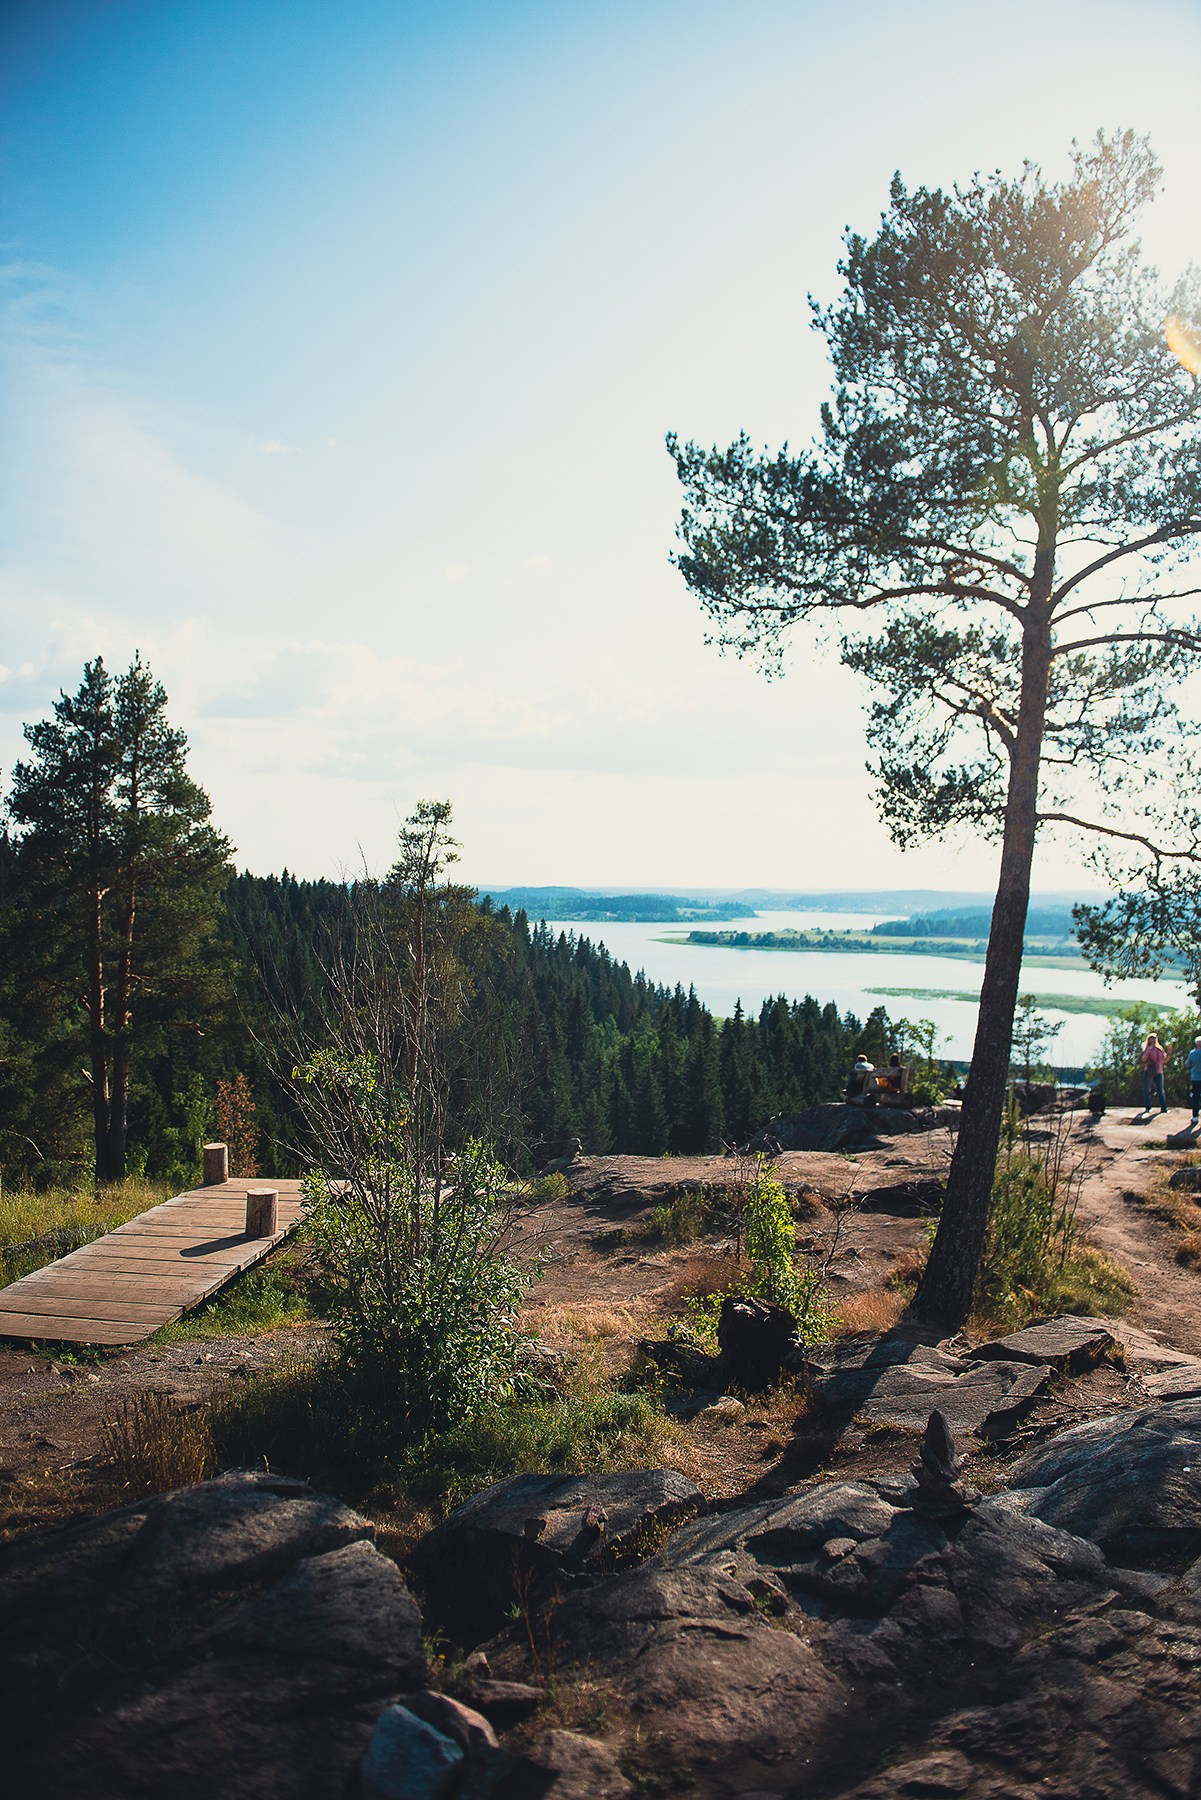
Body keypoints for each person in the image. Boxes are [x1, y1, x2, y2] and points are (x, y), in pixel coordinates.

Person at [1142, 1031, 1170, 1113]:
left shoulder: (1160, 1049)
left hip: (1158, 1070)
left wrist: (1168, 1053)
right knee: (1147, 1089)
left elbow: (1164, 1060)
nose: (1153, 1041)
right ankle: (1148, 1107)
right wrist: (1148, 1051)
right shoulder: (1147, 1048)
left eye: (1154, 1039)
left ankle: (1164, 1108)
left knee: (1160, 1089)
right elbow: (1143, 1059)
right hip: (1149, 1070)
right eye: (1151, 1039)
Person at [1187, 1036, 1201, 1127]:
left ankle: (1195, 1116)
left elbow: (1187, 1064)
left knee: (1196, 1096)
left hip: (1195, 1078)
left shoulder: (1192, 1053)